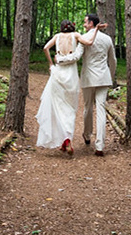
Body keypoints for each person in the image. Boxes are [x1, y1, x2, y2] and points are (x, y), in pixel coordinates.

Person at [35, 19, 104, 155]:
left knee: (58, 107)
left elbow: (45, 48)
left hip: (58, 72)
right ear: (72, 27)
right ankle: (67, 138)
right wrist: (96, 29)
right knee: (70, 108)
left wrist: (50, 64)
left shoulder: (57, 36)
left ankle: (64, 140)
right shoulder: (76, 35)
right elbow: (89, 42)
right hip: (71, 75)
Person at [79, 12, 117, 157]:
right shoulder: (107, 39)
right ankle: (100, 145)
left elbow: (78, 55)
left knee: (88, 107)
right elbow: (112, 60)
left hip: (88, 78)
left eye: (85, 22)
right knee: (101, 109)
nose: (84, 24)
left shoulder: (84, 38)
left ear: (92, 24)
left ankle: (87, 135)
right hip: (103, 78)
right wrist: (111, 76)